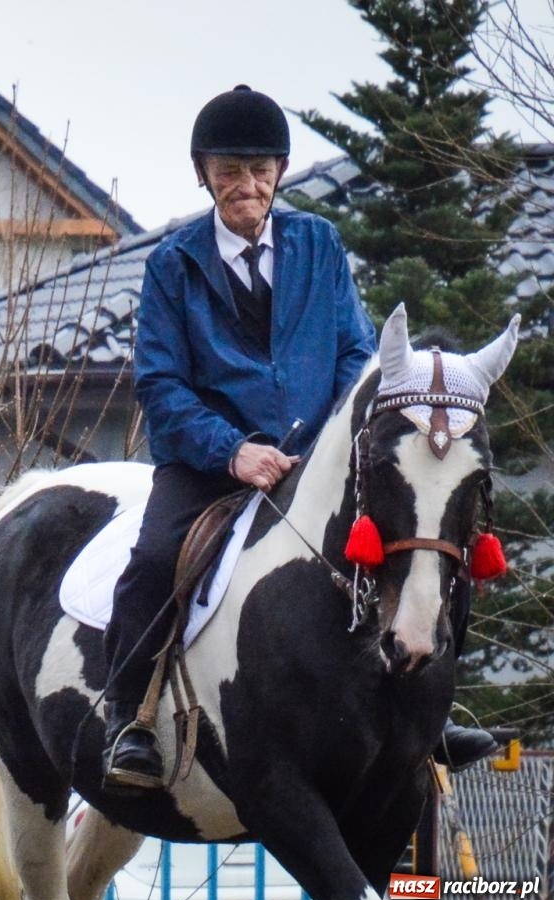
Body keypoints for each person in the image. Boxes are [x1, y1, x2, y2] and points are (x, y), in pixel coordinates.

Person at [101, 85, 498, 793]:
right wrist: (232, 449)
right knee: (155, 557)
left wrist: (325, 442)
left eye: (259, 171)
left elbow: (354, 352)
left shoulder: (319, 242)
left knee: (427, 543)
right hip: (211, 464)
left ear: (279, 172)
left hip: (317, 458)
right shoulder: (172, 265)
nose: (245, 186)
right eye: (229, 171)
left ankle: (430, 717)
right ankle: (127, 719)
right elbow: (161, 386)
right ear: (204, 174)